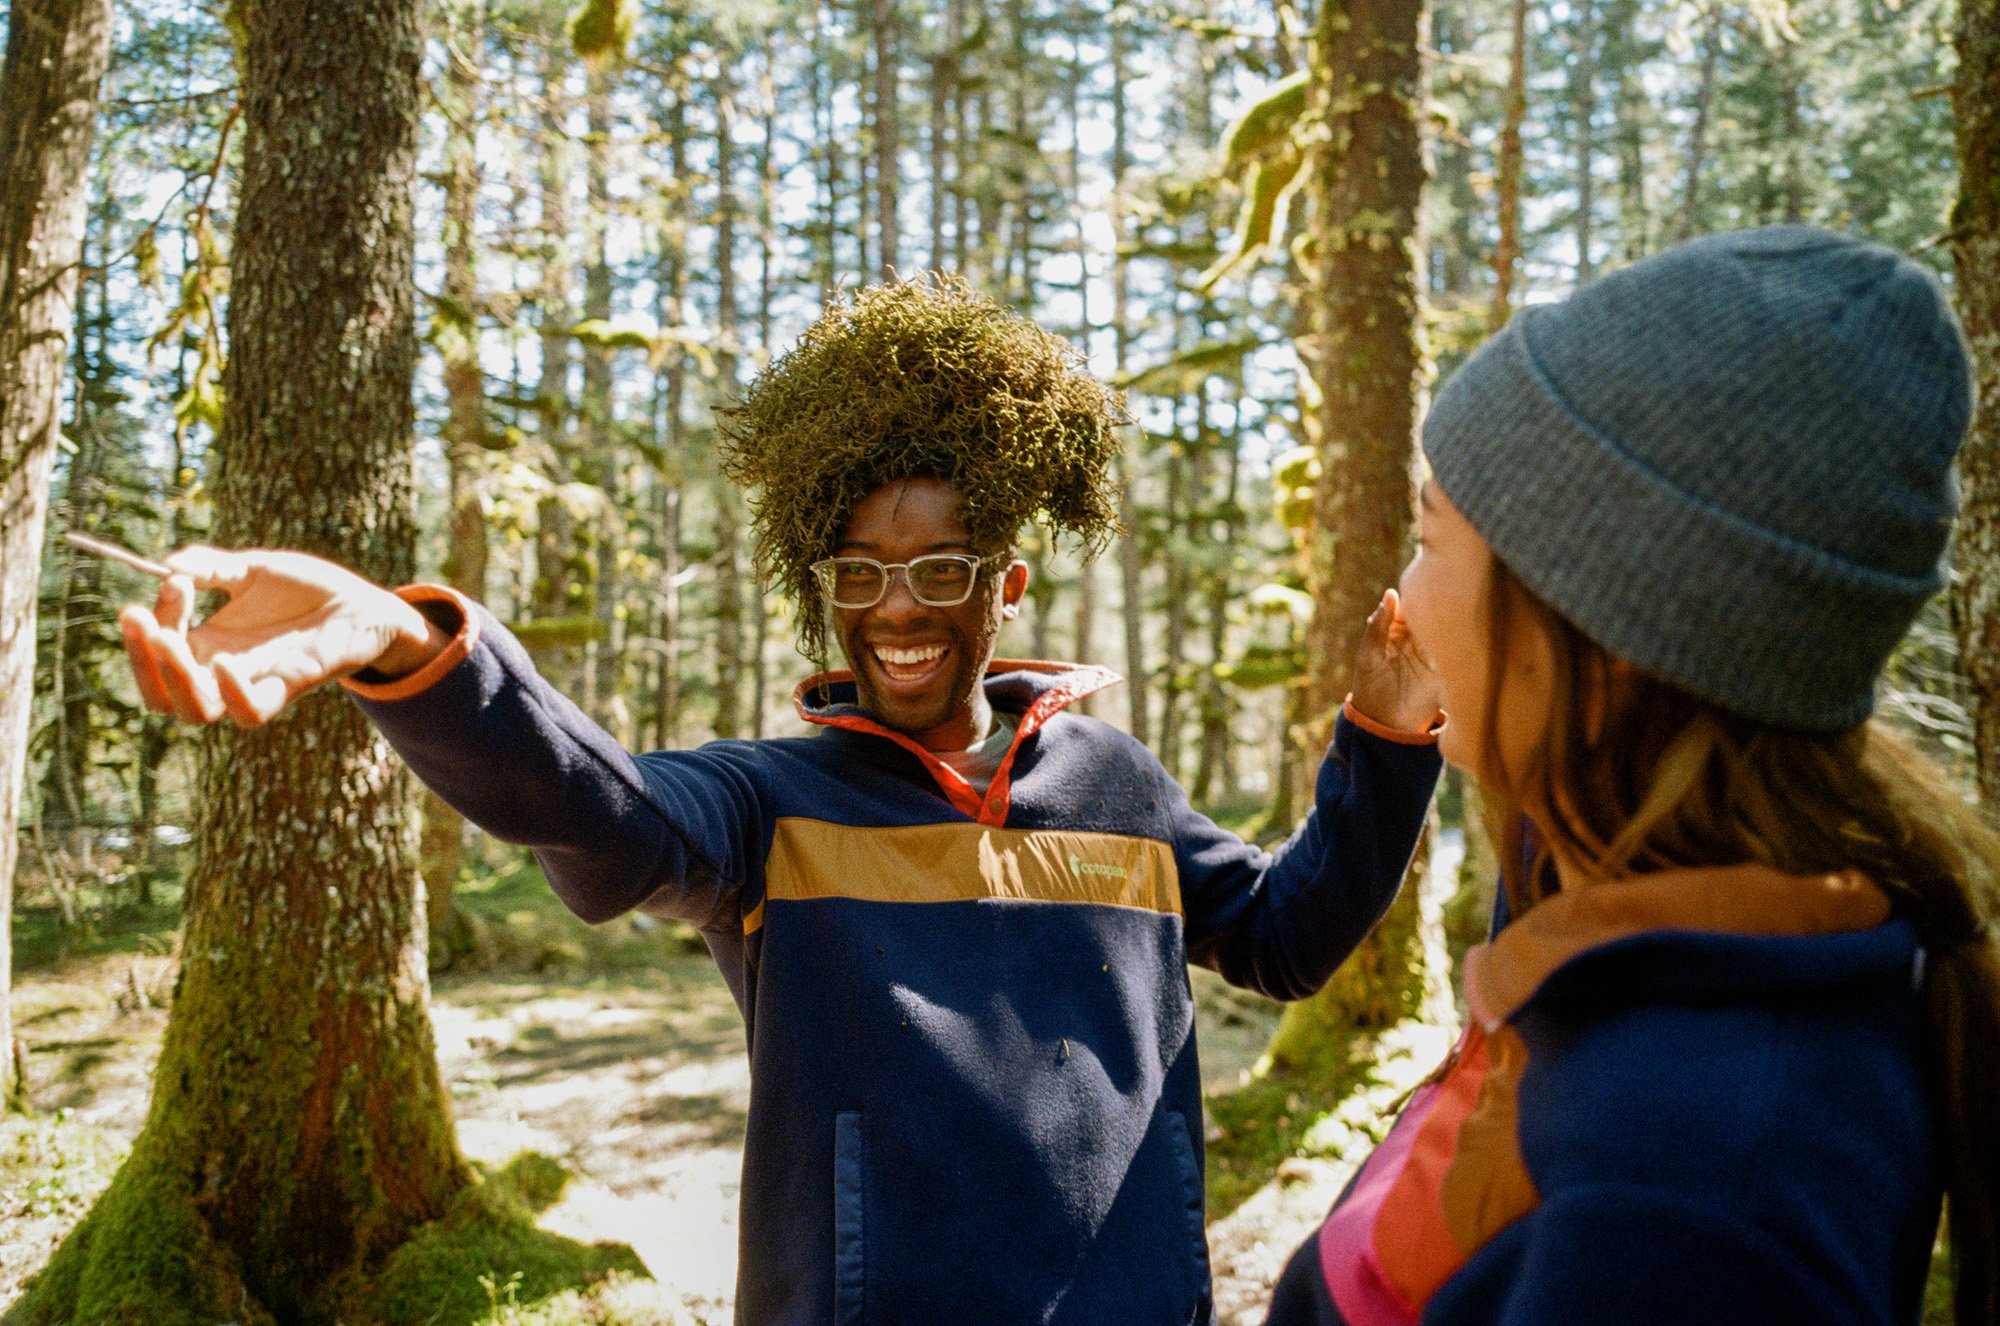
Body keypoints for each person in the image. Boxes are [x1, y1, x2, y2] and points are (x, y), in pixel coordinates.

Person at [119, 276, 1447, 1324]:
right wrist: (406, 648)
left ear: (1008, 586)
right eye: (859, 572)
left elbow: (1288, 934)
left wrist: (1389, 740)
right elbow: (600, 807)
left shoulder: (1117, 786)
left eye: (941, 568)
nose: (898, 609)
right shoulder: (770, 804)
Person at [1263, 227, 2000, 1326]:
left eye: (1429, 538)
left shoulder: (1679, 1204)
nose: (1401, 599)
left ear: (1603, 639)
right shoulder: (1614, 910)